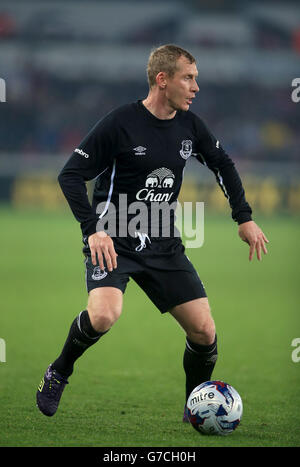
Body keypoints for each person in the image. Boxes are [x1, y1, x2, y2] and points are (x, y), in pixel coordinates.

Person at [36, 44, 268, 418]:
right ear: (163, 80)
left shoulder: (191, 126)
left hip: (164, 244)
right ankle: (59, 371)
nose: (196, 87)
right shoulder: (120, 123)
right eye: (188, 78)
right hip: (113, 241)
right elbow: (70, 175)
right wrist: (93, 229)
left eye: (196, 79)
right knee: (104, 316)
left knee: (205, 332)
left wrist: (244, 217)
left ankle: (196, 404)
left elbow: (222, 163)